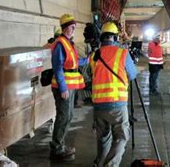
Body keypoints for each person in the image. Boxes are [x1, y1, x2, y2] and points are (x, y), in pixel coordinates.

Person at [90, 22, 137, 167]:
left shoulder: (94, 55)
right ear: (115, 38)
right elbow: (132, 74)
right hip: (117, 103)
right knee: (122, 136)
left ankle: (99, 162)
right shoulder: (123, 53)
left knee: (103, 137)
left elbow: (93, 75)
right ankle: (110, 165)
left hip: (98, 105)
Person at [49, 14, 86, 161]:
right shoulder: (60, 44)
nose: (73, 30)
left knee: (68, 116)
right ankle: (57, 149)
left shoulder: (68, 43)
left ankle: (60, 146)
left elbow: (74, 63)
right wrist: (63, 88)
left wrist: (89, 59)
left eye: (74, 27)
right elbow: (57, 67)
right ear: (64, 28)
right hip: (62, 87)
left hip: (69, 86)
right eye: (71, 27)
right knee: (63, 116)